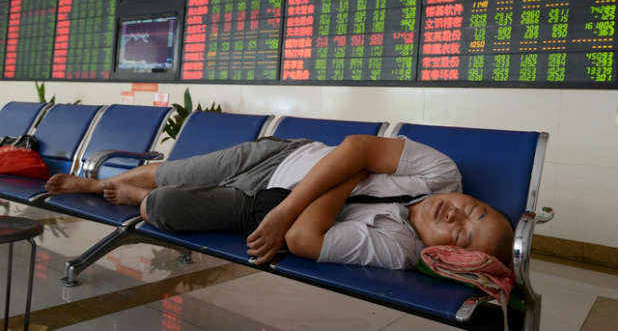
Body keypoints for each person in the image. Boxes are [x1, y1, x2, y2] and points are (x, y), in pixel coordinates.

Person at [45, 135, 514, 269]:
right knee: (179, 170)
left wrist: (353, 169)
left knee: (163, 205)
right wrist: (343, 173)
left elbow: (303, 239)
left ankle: (137, 195)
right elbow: (353, 147)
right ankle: (97, 185)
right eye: (475, 210)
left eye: (462, 235)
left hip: (254, 205)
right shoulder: (441, 173)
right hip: (282, 156)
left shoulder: (400, 246)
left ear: (448, 254)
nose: (457, 215)